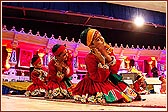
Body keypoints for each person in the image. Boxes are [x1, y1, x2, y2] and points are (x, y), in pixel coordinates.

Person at [72, 28, 141, 103]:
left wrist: (105, 54)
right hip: (96, 82)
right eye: (98, 39)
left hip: (108, 79)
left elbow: (114, 70)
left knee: (129, 93)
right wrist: (102, 61)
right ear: (91, 45)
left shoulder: (108, 51)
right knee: (112, 94)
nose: (102, 39)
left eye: (101, 36)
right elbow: (97, 78)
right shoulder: (89, 58)